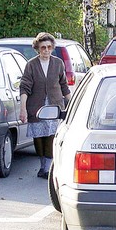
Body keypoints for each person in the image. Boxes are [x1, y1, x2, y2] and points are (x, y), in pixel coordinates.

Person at [20, 32, 71, 179]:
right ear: (38, 48)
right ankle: (43, 165)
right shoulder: (31, 65)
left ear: (52, 48)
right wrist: (23, 109)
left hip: (54, 107)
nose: (46, 50)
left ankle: (47, 168)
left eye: (49, 47)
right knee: (38, 137)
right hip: (36, 107)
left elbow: (64, 86)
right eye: (43, 47)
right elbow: (25, 87)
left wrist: (71, 103)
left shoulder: (58, 63)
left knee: (50, 136)